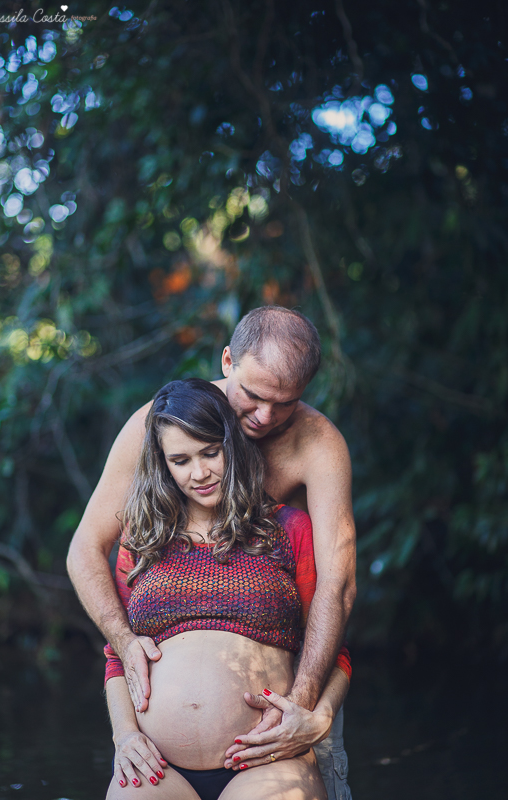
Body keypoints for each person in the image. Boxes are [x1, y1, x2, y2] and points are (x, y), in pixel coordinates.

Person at [67, 306, 356, 798]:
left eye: (285, 403)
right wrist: (127, 642)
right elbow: (85, 550)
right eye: (255, 395)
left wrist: (305, 712)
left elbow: (337, 584)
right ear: (227, 360)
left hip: (284, 696)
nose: (265, 417)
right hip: (163, 760)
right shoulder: (158, 426)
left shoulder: (316, 445)